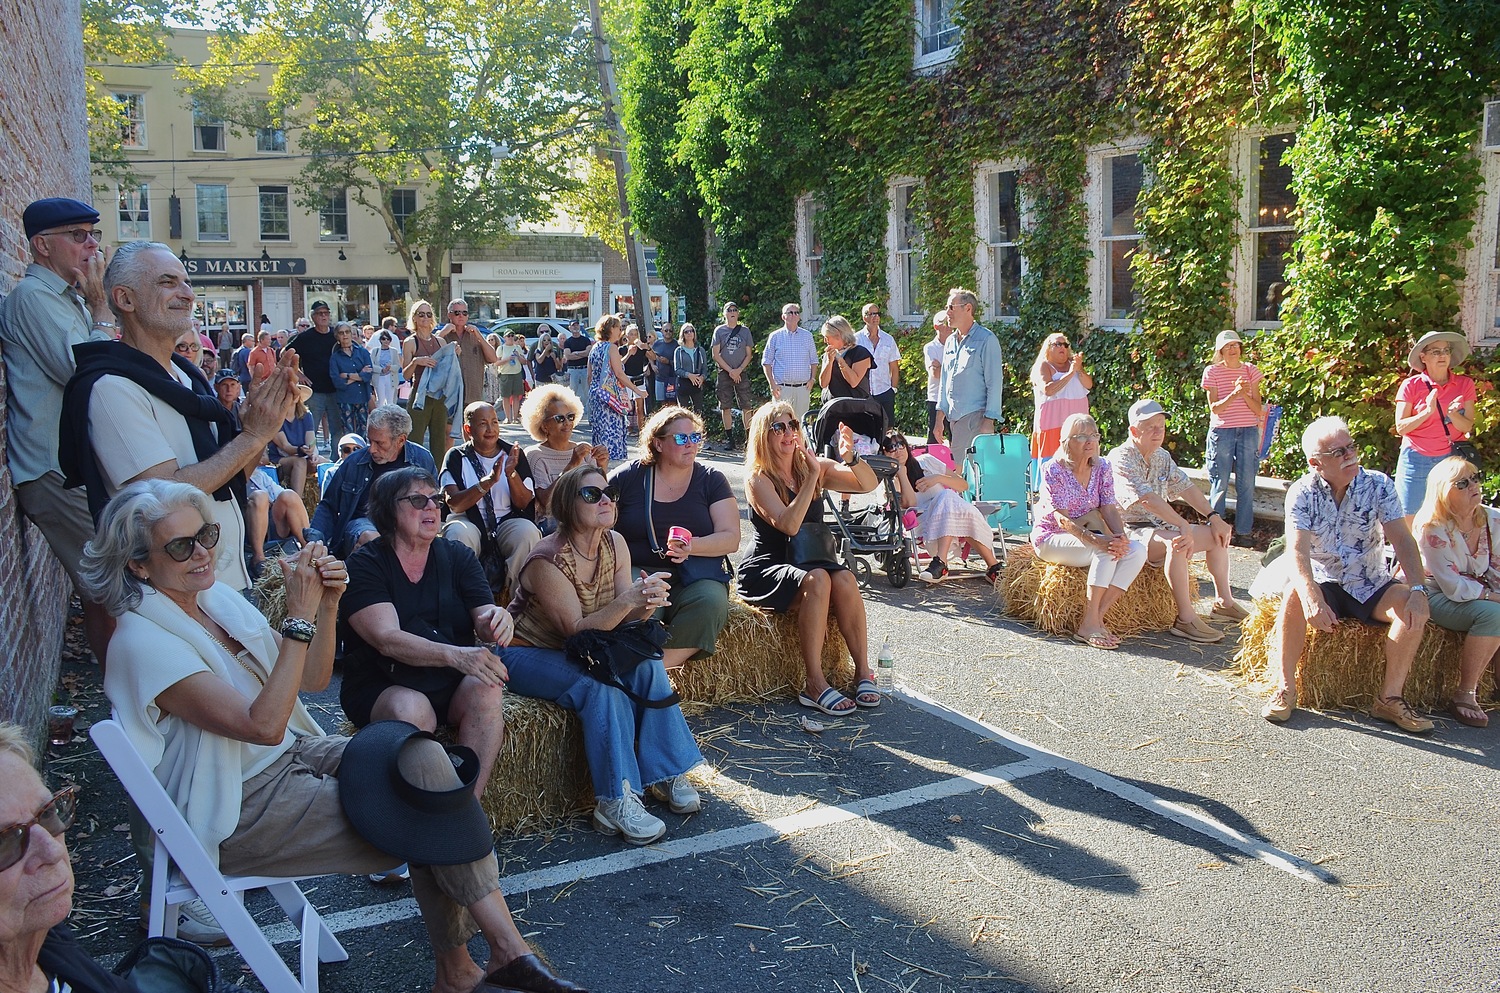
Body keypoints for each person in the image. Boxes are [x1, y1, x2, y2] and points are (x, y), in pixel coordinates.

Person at [81, 479, 586, 993]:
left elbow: (315, 679)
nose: (203, 553)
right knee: (427, 811)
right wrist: (297, 617)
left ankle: (496, 956)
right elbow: (263, 724)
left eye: (206, 535)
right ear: (138, 564)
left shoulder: (213, 604)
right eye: (181, 546)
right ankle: (479, 965)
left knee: (429, 763)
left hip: (287, 755)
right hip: (236, 803)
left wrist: (326, 606)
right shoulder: (143, 643)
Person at [60, 241, 300, 594]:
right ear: (125, 300)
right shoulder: (113, 389)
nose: (186, 293)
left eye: (186, 282)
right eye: (167, 282)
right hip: (176, 594)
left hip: (227, 581)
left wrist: (259, 431)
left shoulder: (188, 376)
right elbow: (163, 498)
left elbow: (227, 482)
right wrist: (251, 438)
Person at [505, 465, 706, 845]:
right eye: (591, 494)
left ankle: (665, 772)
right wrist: (629, 599)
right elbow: (576, 632)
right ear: (567, 504)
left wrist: (644, 603)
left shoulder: (614, 543)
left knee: (647, 663)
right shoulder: (547, 560)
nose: (605, 500)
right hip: (526, 651)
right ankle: (615, 798)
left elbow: (623, 617)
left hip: (586, 645)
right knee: (600, 687)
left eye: (608, 492)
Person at [339, 467, 513, 796]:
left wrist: (496, 618)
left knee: (487, 687)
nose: (432, 507)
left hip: (445, 681)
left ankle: (465, 809)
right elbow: (386, 639)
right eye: (418, 500)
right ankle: (421, 810)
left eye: (435, 500)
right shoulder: (365, 565)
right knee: (413, 708)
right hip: (382, 682)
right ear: (389, 510)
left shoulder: (458, 556)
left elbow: (483, 618)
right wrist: (458, 656)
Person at [1260, 416, 1432, 733]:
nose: (1350, 455)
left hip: (1371, 581)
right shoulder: (1301, 492)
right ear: (1316, 463)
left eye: (1350, 446)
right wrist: (1312, 599)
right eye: (1339, 452)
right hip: (1326, 580)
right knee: (1295, 596)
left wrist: (1420, 590)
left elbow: (1404, 540)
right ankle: (1286, 688)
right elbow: (1297, 552)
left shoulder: (1379, 485)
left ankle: (1390, 699)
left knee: (1410, 606)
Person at [0, 197, 116, 665]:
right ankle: (127, 704)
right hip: (52, 470)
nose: (91, 245)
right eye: (78, 235)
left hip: (69, 467)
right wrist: (103, 309)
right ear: (41, 246)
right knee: (110, 587)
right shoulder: (34, 298)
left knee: (106, 587)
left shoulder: (66, 297)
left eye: (93, 234)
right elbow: (87, 374)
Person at [739, 401, 881, 715]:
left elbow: (869, 484)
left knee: (843, 577)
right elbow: (789, 524)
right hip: (768, 566)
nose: (789, 433)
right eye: (780, 427)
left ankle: (862, 672)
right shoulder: (758, 479)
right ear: (765, 435)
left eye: (793, 425)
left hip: (808, 560)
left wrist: (851, 457)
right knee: (818, 578)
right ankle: (814, 683)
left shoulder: (815, 467)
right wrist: (809, 481)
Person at [609, 406, 739, 668]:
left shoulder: (711, 480)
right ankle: (637, 663)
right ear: (658, 443)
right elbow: (592, 514)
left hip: (695, 573)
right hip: (638, 570)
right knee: (639, 606)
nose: (690, 444)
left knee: (711, 602)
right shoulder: (629, 477)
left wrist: (691, 546)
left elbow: (731, 537)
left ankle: (653, 671)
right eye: (681, 438)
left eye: (696, 437)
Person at [1109, 398, 1244, 645]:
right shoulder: (1120, 457)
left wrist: (1214, 518)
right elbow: (1146, 500)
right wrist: (1182, 525)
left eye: (1161, 425)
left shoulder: (1162, 456)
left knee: (1218, 535)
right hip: (1131, 532)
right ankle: (1185, 619)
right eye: (1150, 426)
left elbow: (1187, 487)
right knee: (1178, 542)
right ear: (1133, 431)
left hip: (1162, 527)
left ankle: (1224, 602)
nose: (1158, 431)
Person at [1030, 413, 1148, 650]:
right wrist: (1098, 541)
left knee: (1137, 551)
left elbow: (1108, 506)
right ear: (1066, 442)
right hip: (1051, 536)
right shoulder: (1053, 469)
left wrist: (1119, 537)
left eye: (1094, 435)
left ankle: (1095, 618)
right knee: (1104, 552)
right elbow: (1061, 518)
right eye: (1082, 436)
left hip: (1090, 532)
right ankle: (1088, 626)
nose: (1090, 441)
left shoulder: (1103, 466)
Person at [1412, 457, 1500, 727]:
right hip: (1435, 594)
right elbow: (1453, 586)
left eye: (1475, 477)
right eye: (1462, 482)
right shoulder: (1432, 527)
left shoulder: (1493, 519)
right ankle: (1465, 693)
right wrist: (1493, 596)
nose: (1473, 485)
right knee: (1493, 614)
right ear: (1443, 492)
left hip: (1480, 590)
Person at [440, 402, 542, 595]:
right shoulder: (455, 456)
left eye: (495, 422)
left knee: (527, 533)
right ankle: (465, 603)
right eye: (483, 424)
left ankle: (516, 604)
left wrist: (511, 474)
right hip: (469, 519)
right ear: (468, 429)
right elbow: (454, 503)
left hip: (506, 520)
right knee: (458, 534)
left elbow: (523, 503)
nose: (491, 429)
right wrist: (487, 482)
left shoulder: (513, 454)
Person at [312, 404, 439, 557]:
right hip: (363, 524)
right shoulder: (354, 462)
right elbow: (329, 505)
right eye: (369, 441)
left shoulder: (422, 460)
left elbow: (433, 504)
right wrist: (315, 538)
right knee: (371, 539)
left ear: (401, 440)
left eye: (379, 443)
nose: (371, 449)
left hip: (407, 525)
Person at [882, 431, 1001, 585]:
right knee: (947, 497)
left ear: (906, 446)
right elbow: (910, 504)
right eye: (891, 447)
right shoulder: (889, 479)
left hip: (954, 513)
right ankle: (993, 567)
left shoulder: (927, 461)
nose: (897, 450)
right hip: (924, 523)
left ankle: (940, 564)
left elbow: (963, 485)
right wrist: (902, 473)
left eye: (900, 444)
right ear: (884, 453)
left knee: (948, 498)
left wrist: (937, 478)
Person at [1393, 331, 1477, 520]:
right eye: (1435, 352)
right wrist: (1427, 412)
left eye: (1446, 351)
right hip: (1415, 458)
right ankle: (1414, 551)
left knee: (1451, 515)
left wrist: (1453, 414)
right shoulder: (1410, 385)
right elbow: (1401, 427)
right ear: (1423, 356)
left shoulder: (1465, 384)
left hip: (1450, 460)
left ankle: (1445, 550)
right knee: (1409, 515)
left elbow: (1467, 427)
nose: (1442, 356)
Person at [1201, 330, 1263, 547]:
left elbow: (1258, 409)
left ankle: (1244, 532)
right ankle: (1216, 530)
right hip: (1222, 432)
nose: (1233, 349)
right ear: (1220, 351)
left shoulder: (1251, 371)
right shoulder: (1212, 372)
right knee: (1220, 481)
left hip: (1248, 431)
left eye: (1236, 345)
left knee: (1247, 483)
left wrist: (1244, 393)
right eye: (1228, 346)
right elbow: (1215, 409)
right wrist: (1235, 393)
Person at [520, 385, 608, 532]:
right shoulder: (535, 454)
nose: (567, 422)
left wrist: (602, 465)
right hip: (554, 521)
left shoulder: (583, 450)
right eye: (560, 418)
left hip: (586, 514)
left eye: (570, 416)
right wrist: (572, 464)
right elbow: (546, 503)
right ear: (544, 426)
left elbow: (600, 492)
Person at [938, 287, 1004, 461]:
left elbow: (995, 383)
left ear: (968, 308)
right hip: (954, 418)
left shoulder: (986, 339)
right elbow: (945, 381)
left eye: (951, 307)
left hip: (976, 417)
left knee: (967, 473)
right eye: (946, 307)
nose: (947, 313)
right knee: (961, 472)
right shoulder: (951, 341)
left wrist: (989, 420)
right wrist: (939, 418)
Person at [588, 315, 645, 461]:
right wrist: (637, 390)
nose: (620, 331)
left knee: (599, 433)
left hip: (596, 395)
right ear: (610, 329)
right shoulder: (612, 348)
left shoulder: (594, 348)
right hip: (610, 397)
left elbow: (590, 376)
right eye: (618, 328)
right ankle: (611, 467)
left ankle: (599, 464)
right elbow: (619, 373)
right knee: (612, 432)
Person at [1029, 333, 1093, 461]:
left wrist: (1078, 369)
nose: (1062, 347)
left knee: (1079, 461)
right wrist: (1070, 373)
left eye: (1065, 344)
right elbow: (1048, 389)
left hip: (1077, 427)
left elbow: (1088, 385)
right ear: (1048, 348)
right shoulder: (1043, 366)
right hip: (1053, 425)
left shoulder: (1073, 365)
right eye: (1058, 344)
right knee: (1052, 463)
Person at [287, 301, 344, 444]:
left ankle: (337, 461)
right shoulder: (305, 337)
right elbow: (284, 354)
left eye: (326, 313)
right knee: (310, 428)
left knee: (338, 429)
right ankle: (311, 460)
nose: (324, 316)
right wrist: (298, 373)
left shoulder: (336, 336)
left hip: (336, 389)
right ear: (313, 317)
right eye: (320, 313)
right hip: (314, 391)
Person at [401, 300, 451, 459]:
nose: (425, 318)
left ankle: (438, 479)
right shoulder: (410, 342)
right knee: (414, 439)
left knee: (439, 441)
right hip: (419, 395)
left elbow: (447, 370)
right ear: (414, 318)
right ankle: (413, 475)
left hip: (439, 395)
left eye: (428, 314)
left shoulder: (440, 341)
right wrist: (416, 362)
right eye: (421, 314)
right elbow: (405, 375)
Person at [246, 463, 311, 576]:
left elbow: (279, 493)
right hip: (248, 525)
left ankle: (309, 548)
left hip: (273, 523)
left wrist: (271, 502)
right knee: (260, 497)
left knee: (289, 495)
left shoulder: (259, 475)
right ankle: (258, 559)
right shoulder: (229, 478)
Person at [763, 303, 819, 422]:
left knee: (801, 423)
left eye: (796, 313)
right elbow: (766, 362)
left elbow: (814, 361)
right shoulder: (775, 337)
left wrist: (812, 379)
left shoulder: (807, 336)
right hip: (782, 389)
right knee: (781, 421)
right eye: (790, 312)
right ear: (783, 317)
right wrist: (772, 384)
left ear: (799, 317)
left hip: (803, 388)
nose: (794, 315)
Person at [267, 389, 326, 499]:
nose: (293, 394)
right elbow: (285, 446)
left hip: (303, 454)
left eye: (296, 391)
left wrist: (313, 453)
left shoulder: (307, 415)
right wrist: (300, 450)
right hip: (280, 459)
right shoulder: (274, 417)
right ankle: (296, 501)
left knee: (325, 463)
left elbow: (311, 441)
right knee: (300, 462)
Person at [711, 303, 755, 449]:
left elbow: (749, 354)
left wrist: (739, 369)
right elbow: (716, 355)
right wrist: (730, 370)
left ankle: (748, 439)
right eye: (729, 310)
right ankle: (730, 439)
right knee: (726, 406)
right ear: (724, 313)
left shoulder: (745, 331)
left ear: (738, 313)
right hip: (724, 372)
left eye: (735, 310)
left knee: (746, 405)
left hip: (741, 372)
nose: (732, 312)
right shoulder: (719, 331)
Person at [855, 303, 901, 430]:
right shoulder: (856, 340)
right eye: (872, 314)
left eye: (877, 314)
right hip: (863, 393)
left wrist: (893, 389)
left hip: (884, 391)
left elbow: (894, 367)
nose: (875, 317)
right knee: (866, 429)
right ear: (864, 317)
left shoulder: (888, 339)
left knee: (888, 430)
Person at [330, 321, 374, 437]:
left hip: (362, 396)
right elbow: (337, 381)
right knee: (348, 432)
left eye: (347, 332)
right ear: (337, 336)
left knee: (363, 431)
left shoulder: (363, 352)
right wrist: (360, 375)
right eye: (341, 333)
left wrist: (347, 376)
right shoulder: (335, 357)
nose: (345, 335)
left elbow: (368, 375)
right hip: (345, 398)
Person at [817, 315, 874, 403]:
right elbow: (823, 384)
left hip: (856, 406)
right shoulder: (828, 355)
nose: (825, 341)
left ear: (838, 336)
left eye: (827, 337)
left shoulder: (860, 353)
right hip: (833, 406)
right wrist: (829, 362)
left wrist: (840, 360)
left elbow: (853, 382)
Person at [923, 311, 952, 444]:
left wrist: (941, 367)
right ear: (936, 327)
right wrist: (952, 368)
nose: (948, 326)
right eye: (943, 323)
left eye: (949, 323)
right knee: (934, 435)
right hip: (935, 397)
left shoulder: (958, 344)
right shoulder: (930, 347)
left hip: (954, 397)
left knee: (956, 436)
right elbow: (935, 373)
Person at [620, 324, 652, 431]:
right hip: (626, 379)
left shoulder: (641, 348)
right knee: (627, 407)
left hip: (639, 379)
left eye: (635, 334)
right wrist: (629, 354)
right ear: (626, 335)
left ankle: (641, 431)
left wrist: (647, 347)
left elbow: (654, 357)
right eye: (631, 334)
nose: (633, 337)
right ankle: (626, 429)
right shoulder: (622, 349)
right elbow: (619, 364)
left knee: (640, 408)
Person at [494, 332, 529, 424]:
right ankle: (508, 418)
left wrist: (518, 356)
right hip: (505, 374)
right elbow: (497, 363)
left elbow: (524, 362)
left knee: (516, 396)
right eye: (508, 336)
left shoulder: (517, 347)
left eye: (512, 336)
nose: (510, 337)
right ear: (504, 337)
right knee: (505, 397)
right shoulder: (501, 348)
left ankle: (514, 418)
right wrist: (508, 359)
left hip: (517, 374)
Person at [673, 324, 708, 413]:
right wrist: (689, 375)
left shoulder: (700, 350)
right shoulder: (679, 351)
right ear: (683, 335)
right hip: (683, 382)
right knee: (683, 412)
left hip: (697, 382)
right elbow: (677, 369)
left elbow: (704, 368)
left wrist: (702, 377)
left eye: (691, 331)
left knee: (698, 411)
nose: (689, 333)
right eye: (686, 332)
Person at [561, 319, 592, 407]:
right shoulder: (568, 342)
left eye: (577, 325)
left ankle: (588, 413)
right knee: (572, 393)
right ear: (570, 327)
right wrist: (583, 354)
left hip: (585, 369)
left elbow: (588, 353)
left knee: (587, 392)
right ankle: (572, 411)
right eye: (573, 325)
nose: (575, 327)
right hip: (573, 370)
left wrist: (576, 353)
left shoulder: (586, 340)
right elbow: (568, 356)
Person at [371, 328, 403, 406]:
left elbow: (397, 365)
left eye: (388, 339)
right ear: (380, 340)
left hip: (390, 376)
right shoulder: (375, 351)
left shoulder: (394, 351)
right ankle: (379, 416)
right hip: (379, 377)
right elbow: (372, 365)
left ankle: (390, 416)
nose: (386, 341)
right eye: (383, 339)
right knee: (380, 400)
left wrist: (390, 367)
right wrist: (381, 370)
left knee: (390, 400)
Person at [651, 324, 678, 411]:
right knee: (662, 404)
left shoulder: (677, 345)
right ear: (662, 331)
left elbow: (680, 363)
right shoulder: (657, 344)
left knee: (672, 404)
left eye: (670, 330)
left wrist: (668, 362)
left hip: (672, 379)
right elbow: (650, 354)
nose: (668, 332)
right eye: (666, 330)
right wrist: (652, 364)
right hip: (659, 378)